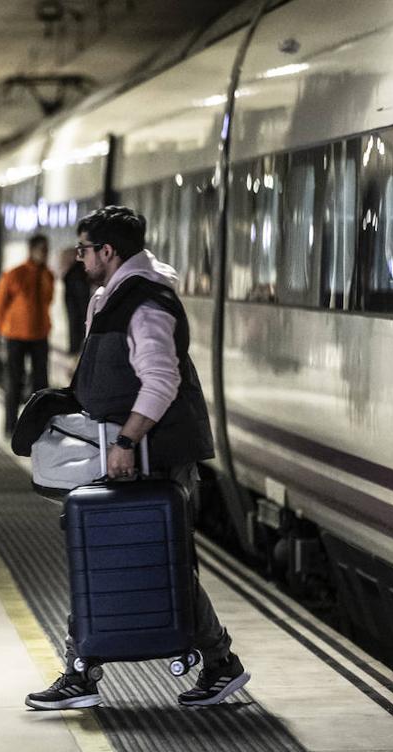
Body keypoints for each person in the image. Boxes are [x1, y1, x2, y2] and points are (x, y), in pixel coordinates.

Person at [25, 205, 250, 711]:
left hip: (151, 451)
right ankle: (215, 663)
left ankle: (84, 673)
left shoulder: (145, 302)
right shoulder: (117, 293)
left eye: (84, 250)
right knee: (148, 559)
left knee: (138, 558)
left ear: (108, 251)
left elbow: (161, 380)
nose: (78, 259)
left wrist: (126, 441)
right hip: (133, 447)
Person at [0, 233, 54, 436]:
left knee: (40, 383)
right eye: (42, 250)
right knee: (14, 382)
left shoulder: (48, 275)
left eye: (46, 250)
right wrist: (4, 328)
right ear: (32, 250)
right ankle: (10, 426)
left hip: (40, 335)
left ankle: (37, 425)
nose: (45, 254)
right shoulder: (15, 274)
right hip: (16, 336)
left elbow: (48, 300)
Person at [59, 246, 92, 354]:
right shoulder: (78, 270)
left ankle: (75, 349)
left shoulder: (76, 271)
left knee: (76, 326)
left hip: (77, 307)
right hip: (77, 306)